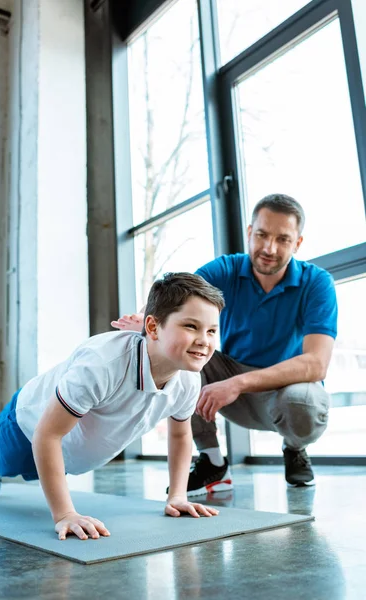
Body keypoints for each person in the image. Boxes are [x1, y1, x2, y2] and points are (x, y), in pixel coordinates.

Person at [0, 272, 225, 539]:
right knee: (5, 461)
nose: (204, 340)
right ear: (153, 327)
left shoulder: (188, 381)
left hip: (70, 448)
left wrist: (178, 495)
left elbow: (180, 434)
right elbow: (47, 434)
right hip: (30, 424)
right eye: (191, 327)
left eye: (212, 331)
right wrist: (65, 514)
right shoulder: (102, 364)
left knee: (40, 468)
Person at [112, 194, 338, 495]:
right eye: (261, 235)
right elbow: (177, 296)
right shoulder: (227, 269)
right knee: (177, 353)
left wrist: (238, 383)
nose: (269, 248)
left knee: (305, 401)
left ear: (297, 244)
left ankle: (294, 448)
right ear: (249, 233)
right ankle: (212, 462)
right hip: (227, 384)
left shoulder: (317, 283)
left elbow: (316, 364)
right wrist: (144, 319)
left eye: (282, 239)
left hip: (284, 391)